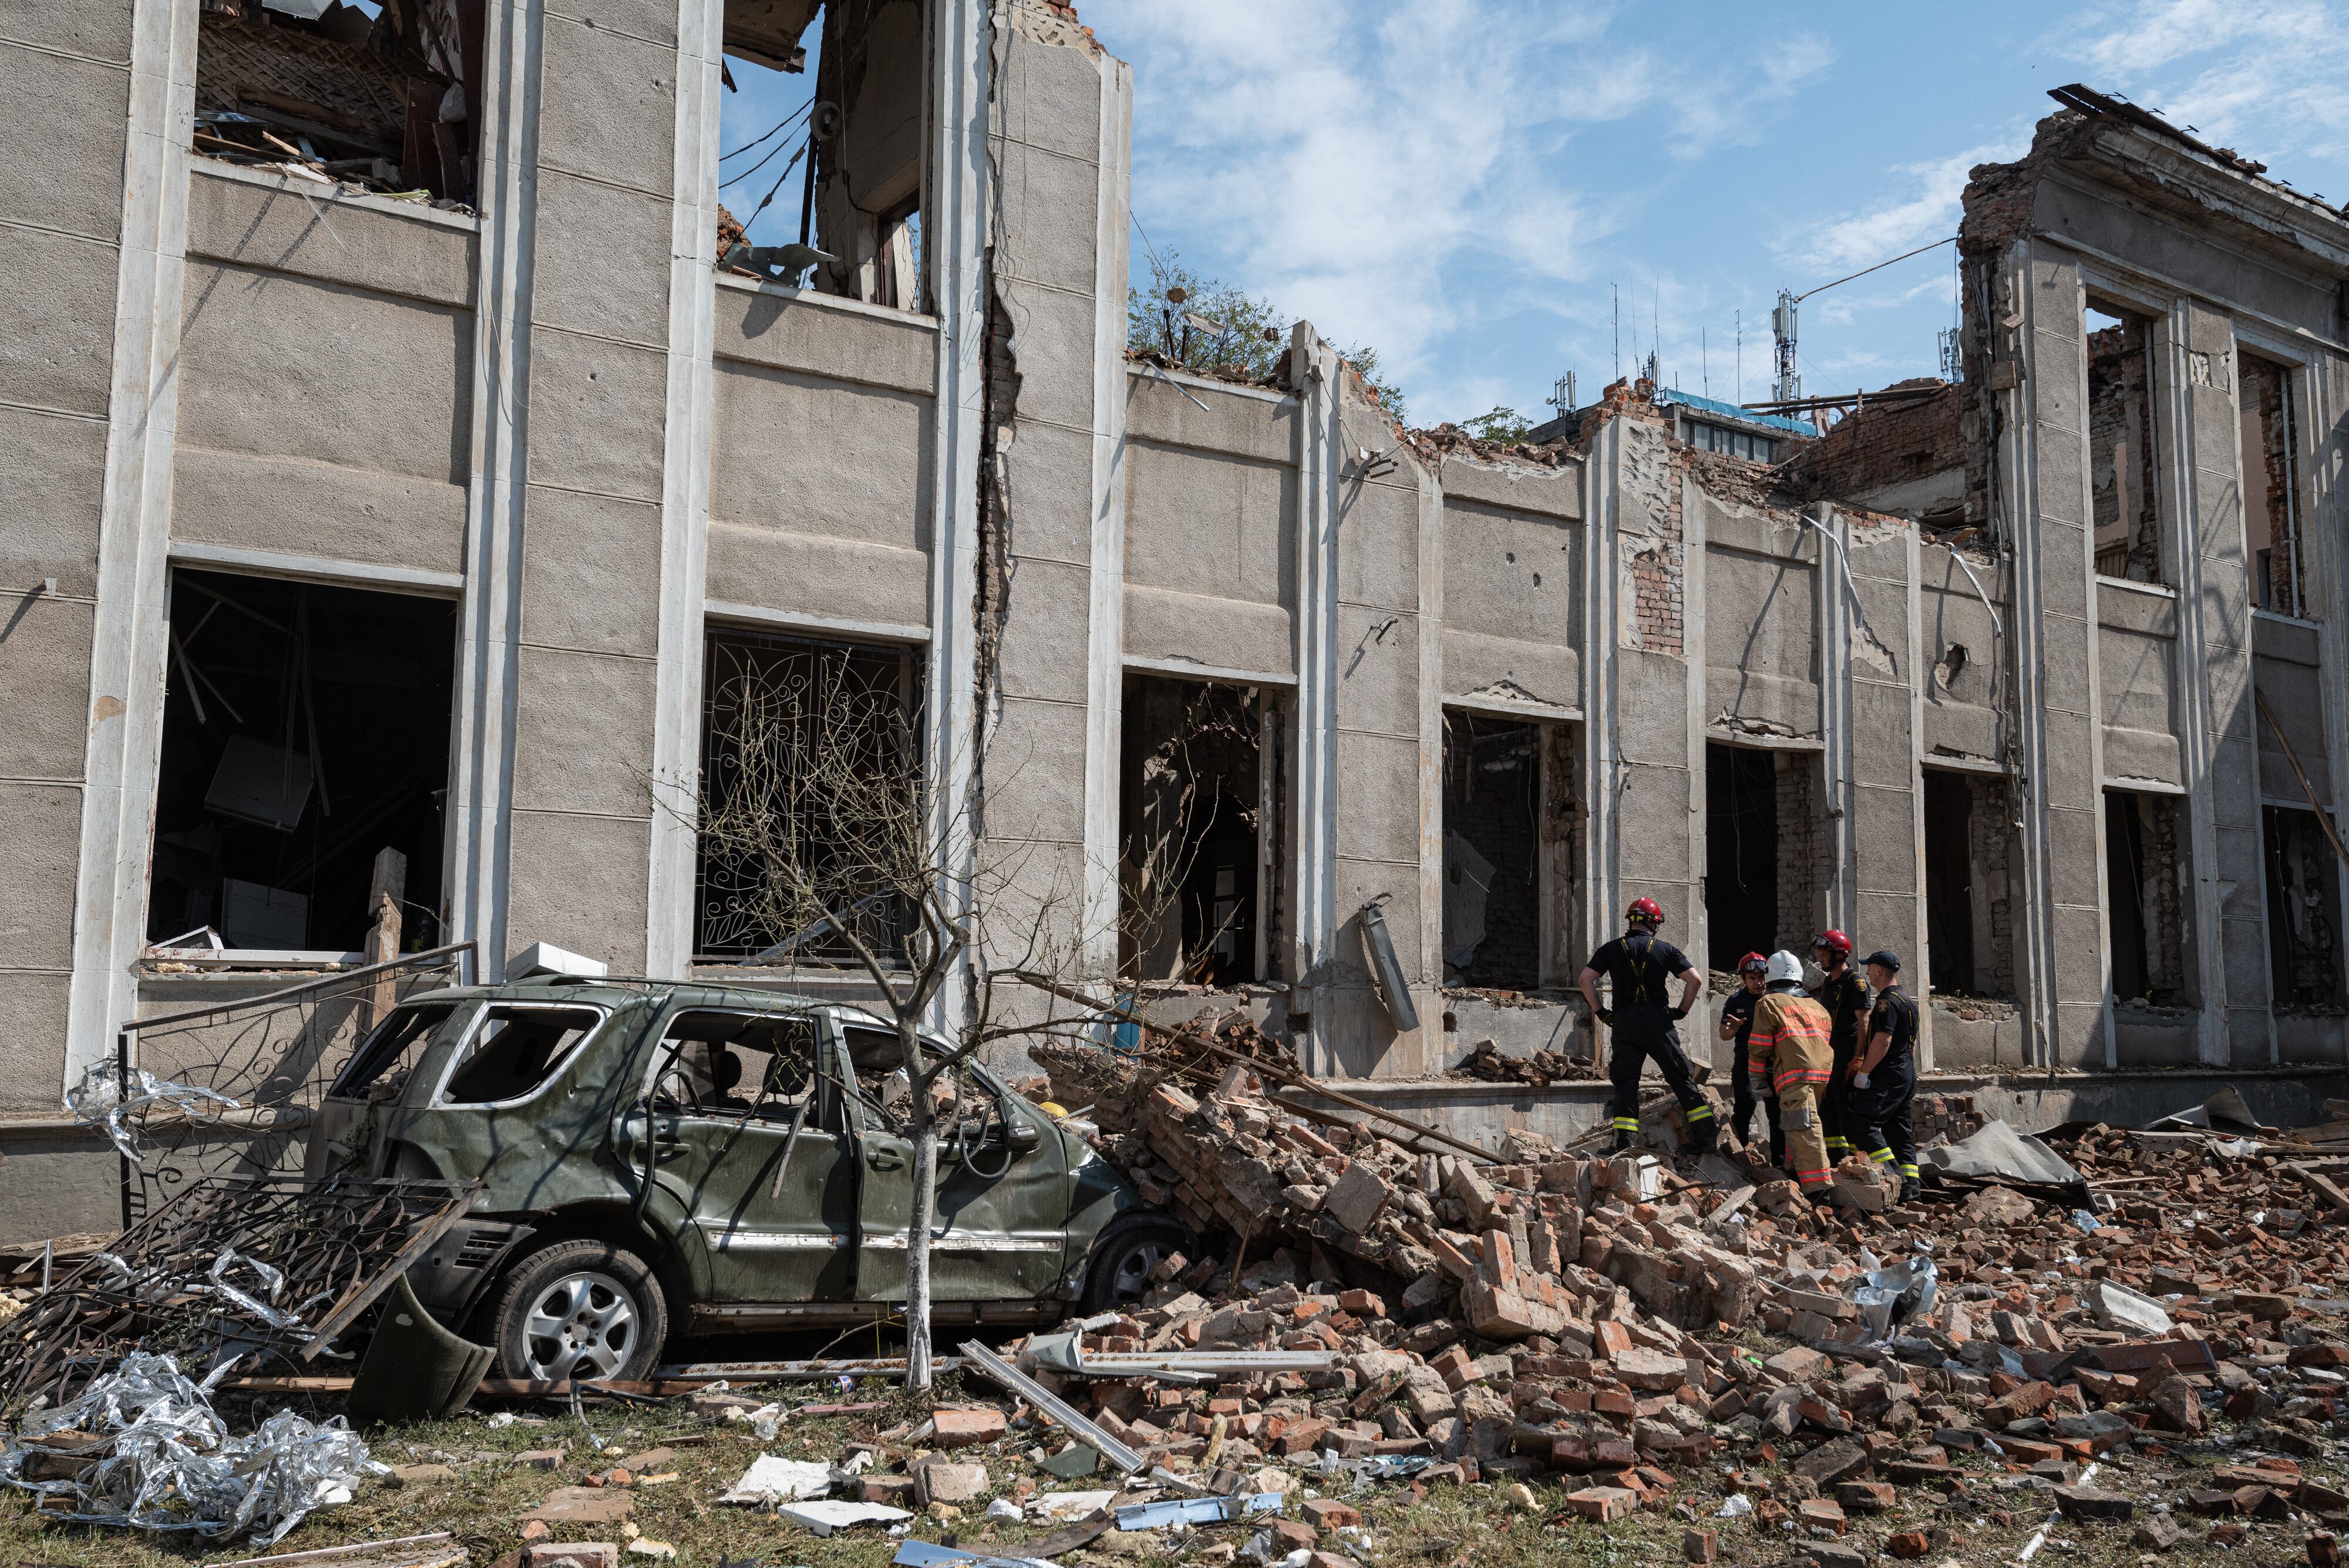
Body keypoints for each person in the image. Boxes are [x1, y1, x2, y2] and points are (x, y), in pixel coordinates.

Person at [1577, 898, 1716, 1155]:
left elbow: (1586, 979)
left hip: (1625, 1022)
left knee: (1626, 1084)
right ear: (1654, 924)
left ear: (1631, 920)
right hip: (1658, 1022)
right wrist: (1682, 1011)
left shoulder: (1610, 949)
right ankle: (1707, 1141)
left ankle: (1624, 1145)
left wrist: (1601, 1012)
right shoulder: (1666, 949)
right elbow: (1695, 980)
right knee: (1681, 1078)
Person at [1745, 951, 1837, 1202]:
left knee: (1803, 1127)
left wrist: (1757, 1080)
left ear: (1770, 977)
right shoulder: (1817, 1007)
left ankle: (1819, 1189)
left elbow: (1760, 1046)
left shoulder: (1769, 1003)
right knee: (1798, 1125)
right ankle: (1793, 1170)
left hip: (1795, 1076)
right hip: (1822, 1076)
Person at [1843, 949, 1922, 1203]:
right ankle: (1912, 1190)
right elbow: (1912, 1044)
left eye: (1869, 968)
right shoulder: (1909, 1001)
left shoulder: (1886, 1002)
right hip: (1905, 1071)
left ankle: (1894, 1177)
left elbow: (1883, 1040)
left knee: (1862, 1123)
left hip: (1887, 1074)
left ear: (1879, 971)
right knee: (1899, 1131)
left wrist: (1864, 1072)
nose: (1866, 972)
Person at [1808, 930, 1866, 1166]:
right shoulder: (1828, 981)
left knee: (1846, 1109)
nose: (1820, 958)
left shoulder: (1855, 982)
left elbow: (1864, 1021)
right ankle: (1837, 1161)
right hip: (1829, 1054)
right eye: (1819, 954)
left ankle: (1858, 1162)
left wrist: (1859, 1057)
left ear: (1840, 955)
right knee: (1829, 1109)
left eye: (1824, 954)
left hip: (1846, 1053)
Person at [1720, 952, 1782, 1163]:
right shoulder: (1736, 1001)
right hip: (1745, 1061)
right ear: (1744, 979)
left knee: (1775, 1111)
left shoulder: (1776, 997)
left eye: (1761, 977)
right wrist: (1734, 1028)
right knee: (1745, 1107)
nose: (1759, 982)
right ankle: (1740, 1156)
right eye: (1752, 978)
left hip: (1773, 1063)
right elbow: (1724, 1035)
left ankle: (1779, 1158)